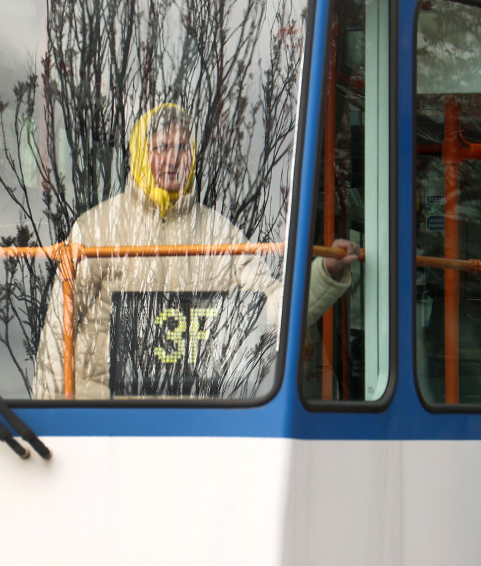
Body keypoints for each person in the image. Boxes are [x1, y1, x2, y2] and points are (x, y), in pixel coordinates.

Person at [33, 103, 358, 399]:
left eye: (182, 148)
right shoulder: (94, 229)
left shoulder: (220, 234)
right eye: (160, 148)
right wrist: (49, 421)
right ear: (139, 154)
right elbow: (57, 338)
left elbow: (273, 311)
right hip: (103, 426)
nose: (172, 159)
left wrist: (325, 272)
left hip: (193, 427)